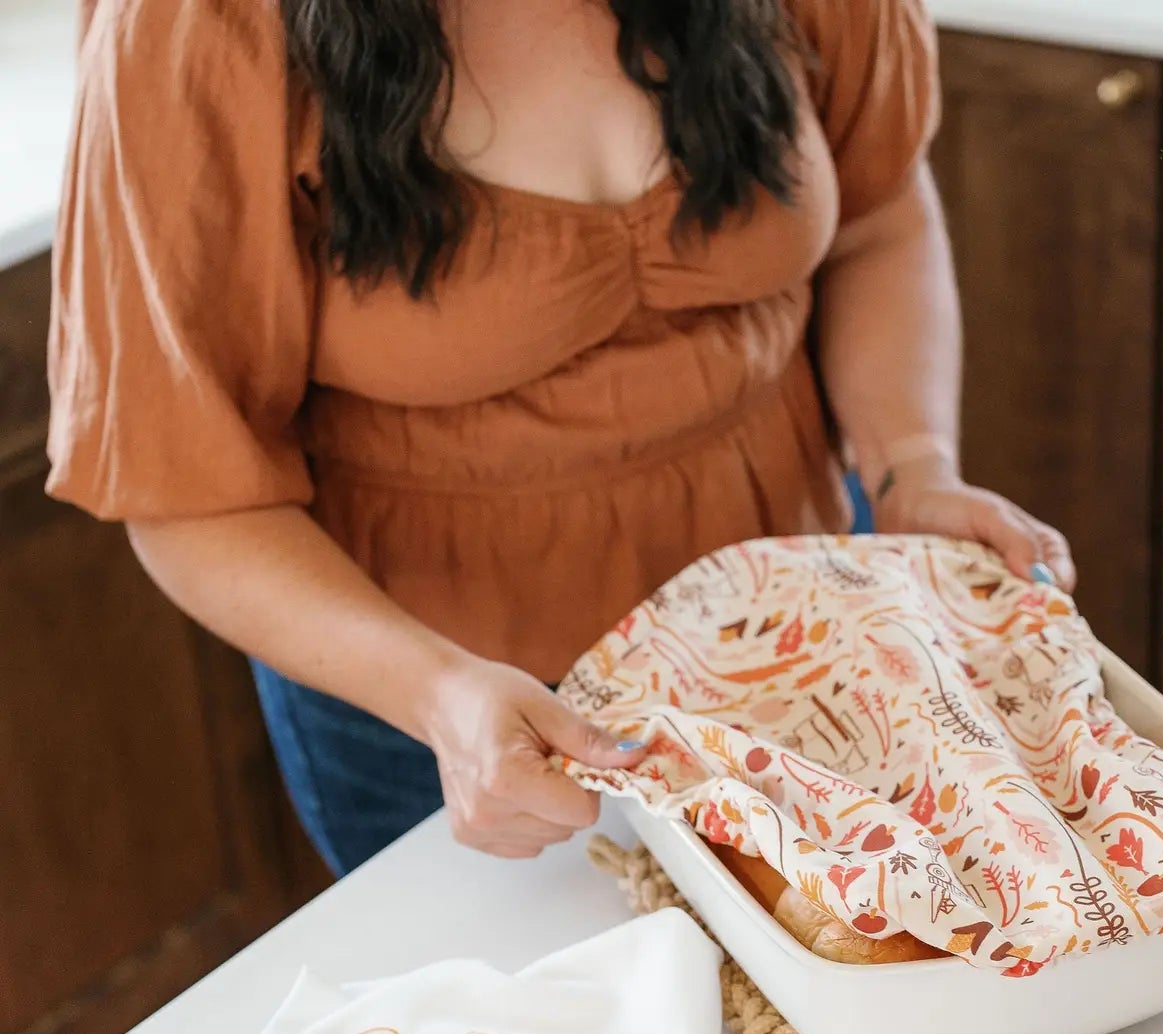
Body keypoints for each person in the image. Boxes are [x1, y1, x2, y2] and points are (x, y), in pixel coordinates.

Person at [49, 0, 1075, 875]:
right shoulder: (192, 27)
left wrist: (911, 465)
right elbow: (185, 488)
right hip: (440, 724)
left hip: (803, 640)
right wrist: (441, 697)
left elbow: (877, 216)